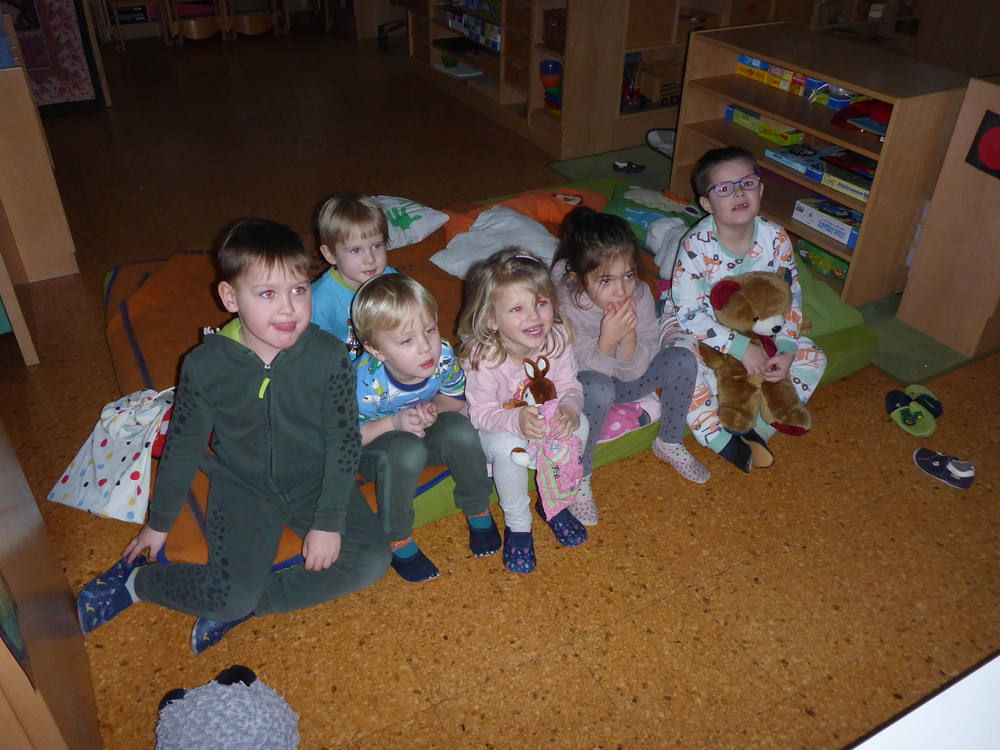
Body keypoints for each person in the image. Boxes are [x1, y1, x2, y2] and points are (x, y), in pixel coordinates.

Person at [77, 219, 391, 654]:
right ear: (230, 297)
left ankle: (248, 605)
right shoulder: (205, 365)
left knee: (371, 561)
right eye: (267, 294)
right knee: (228, 594)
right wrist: (160, 521)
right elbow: (184, 445)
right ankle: (138, 583)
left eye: (298, 290)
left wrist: (328, 521)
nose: (288, 309)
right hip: (242, 488)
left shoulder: (329, 355)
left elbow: (343, 441)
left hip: (314, 481)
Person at [662, 146, 827, 472]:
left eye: (747, 184)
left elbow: (790, 298)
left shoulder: (775, 238)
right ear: (707, 204)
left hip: (760, 327)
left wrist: (786, 350)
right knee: (682, 367)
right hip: (696, 324)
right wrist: (739, 348)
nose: (739, 193)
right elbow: (690, 313)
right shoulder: (695, 245)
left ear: (760, 190)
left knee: (814, 358)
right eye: (725, 188)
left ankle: (760, 429)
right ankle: (719, 440)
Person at [551, 207, 709, 526]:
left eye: (628, 275)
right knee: (599, 386)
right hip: (584, 389)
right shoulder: (567, 302)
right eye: (605, 280)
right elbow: (571, 367)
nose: (621, 290)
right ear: (578, 279)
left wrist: (628, 340)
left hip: (627, 378)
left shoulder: (638, 294)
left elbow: (644, 360)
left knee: (682, 357)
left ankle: (669, 441)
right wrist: (607, 341)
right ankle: (579, 475)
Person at [352, 273, 501, 583]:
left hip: (417, 431)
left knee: (459, 429)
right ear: (377, 351)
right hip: (370, 448)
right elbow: (345, 440)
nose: (425, 348)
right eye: (407, 340)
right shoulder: (362, 384)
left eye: (430, 330)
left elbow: (454, 399)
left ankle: (477, 507)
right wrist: (394, 424)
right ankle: (397, 538)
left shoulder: (444, 356)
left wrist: (432, 412)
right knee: (405, 449)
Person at [457, 248, 589, 575]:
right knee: (508, 447)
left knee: (580, 425)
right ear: (492, 319)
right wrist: (515, 419)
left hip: (543, 424)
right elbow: (481, 414)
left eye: (541, 303)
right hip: (497, 427)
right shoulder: (484, 357)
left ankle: (553, 503)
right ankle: (518, 527)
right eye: (517, 309)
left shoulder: (556, 339)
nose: (534, 317)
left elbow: (569, 385)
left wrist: (569, 409)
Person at [311, 192, 396, 355]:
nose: (370, 259)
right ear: (330, 255)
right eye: (355, 250)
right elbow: (313, 349)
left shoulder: (392, 280)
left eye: (376, 246)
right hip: (341, 365)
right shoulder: (320, 299)